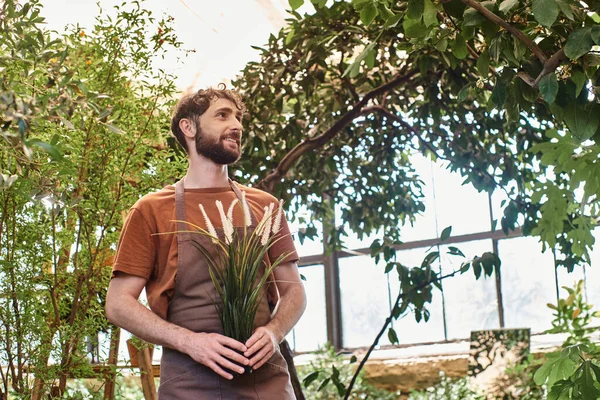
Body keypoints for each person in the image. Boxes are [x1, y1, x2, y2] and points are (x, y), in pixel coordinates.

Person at [105, 85, 307, 399]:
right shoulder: (152, 210)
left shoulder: (265, 206)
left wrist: (273, 331)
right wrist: (191, 343)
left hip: (265, 384)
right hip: (189, 384)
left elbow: (294, 289)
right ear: (188, 127)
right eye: (222, 115)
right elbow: (118, 304)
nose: (237, 125)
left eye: (238, 118)